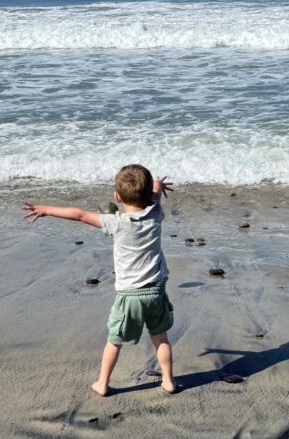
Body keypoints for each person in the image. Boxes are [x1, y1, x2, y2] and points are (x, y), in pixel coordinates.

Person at [24, 165, 177, 396]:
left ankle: (102, 383)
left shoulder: (115, 223)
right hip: (156, 291)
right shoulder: (156, 213)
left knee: (115, 340)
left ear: (117, 197)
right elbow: (154, 193)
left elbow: (80, 215)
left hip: (129, 296)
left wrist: (46, 209)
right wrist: (158, 184)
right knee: (161, 339)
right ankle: (168, 381)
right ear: (149, 196)